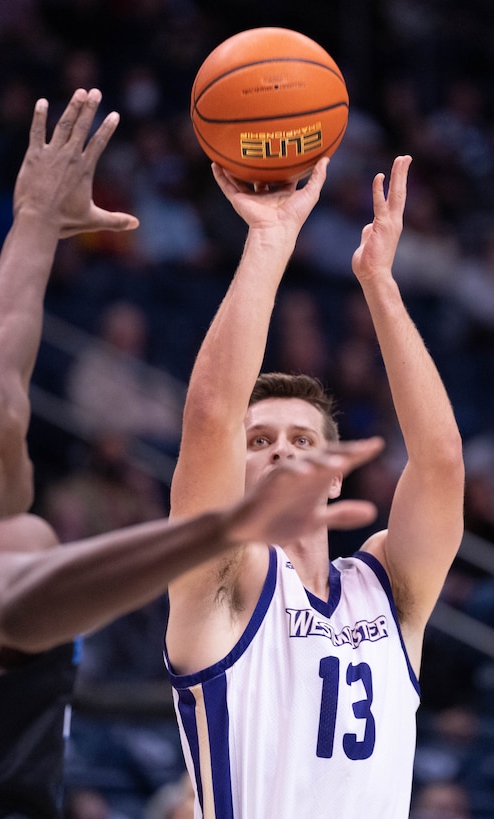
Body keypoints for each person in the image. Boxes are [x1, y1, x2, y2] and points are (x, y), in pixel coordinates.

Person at [0, 89, 383, 819]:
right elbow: (23, 600)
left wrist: (37, 220)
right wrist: (227, 526)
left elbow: (2, 340)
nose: (11, 377)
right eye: (6, 394)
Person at [164, 155, 465, 819]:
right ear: (231, 475)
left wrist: (379, 284)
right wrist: (270, 241)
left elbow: (441, 460)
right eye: (260, 440)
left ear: (334, 479)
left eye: (304, 440)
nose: (281, 451)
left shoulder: (388, 585)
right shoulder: (225, 584)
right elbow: (212, 414)